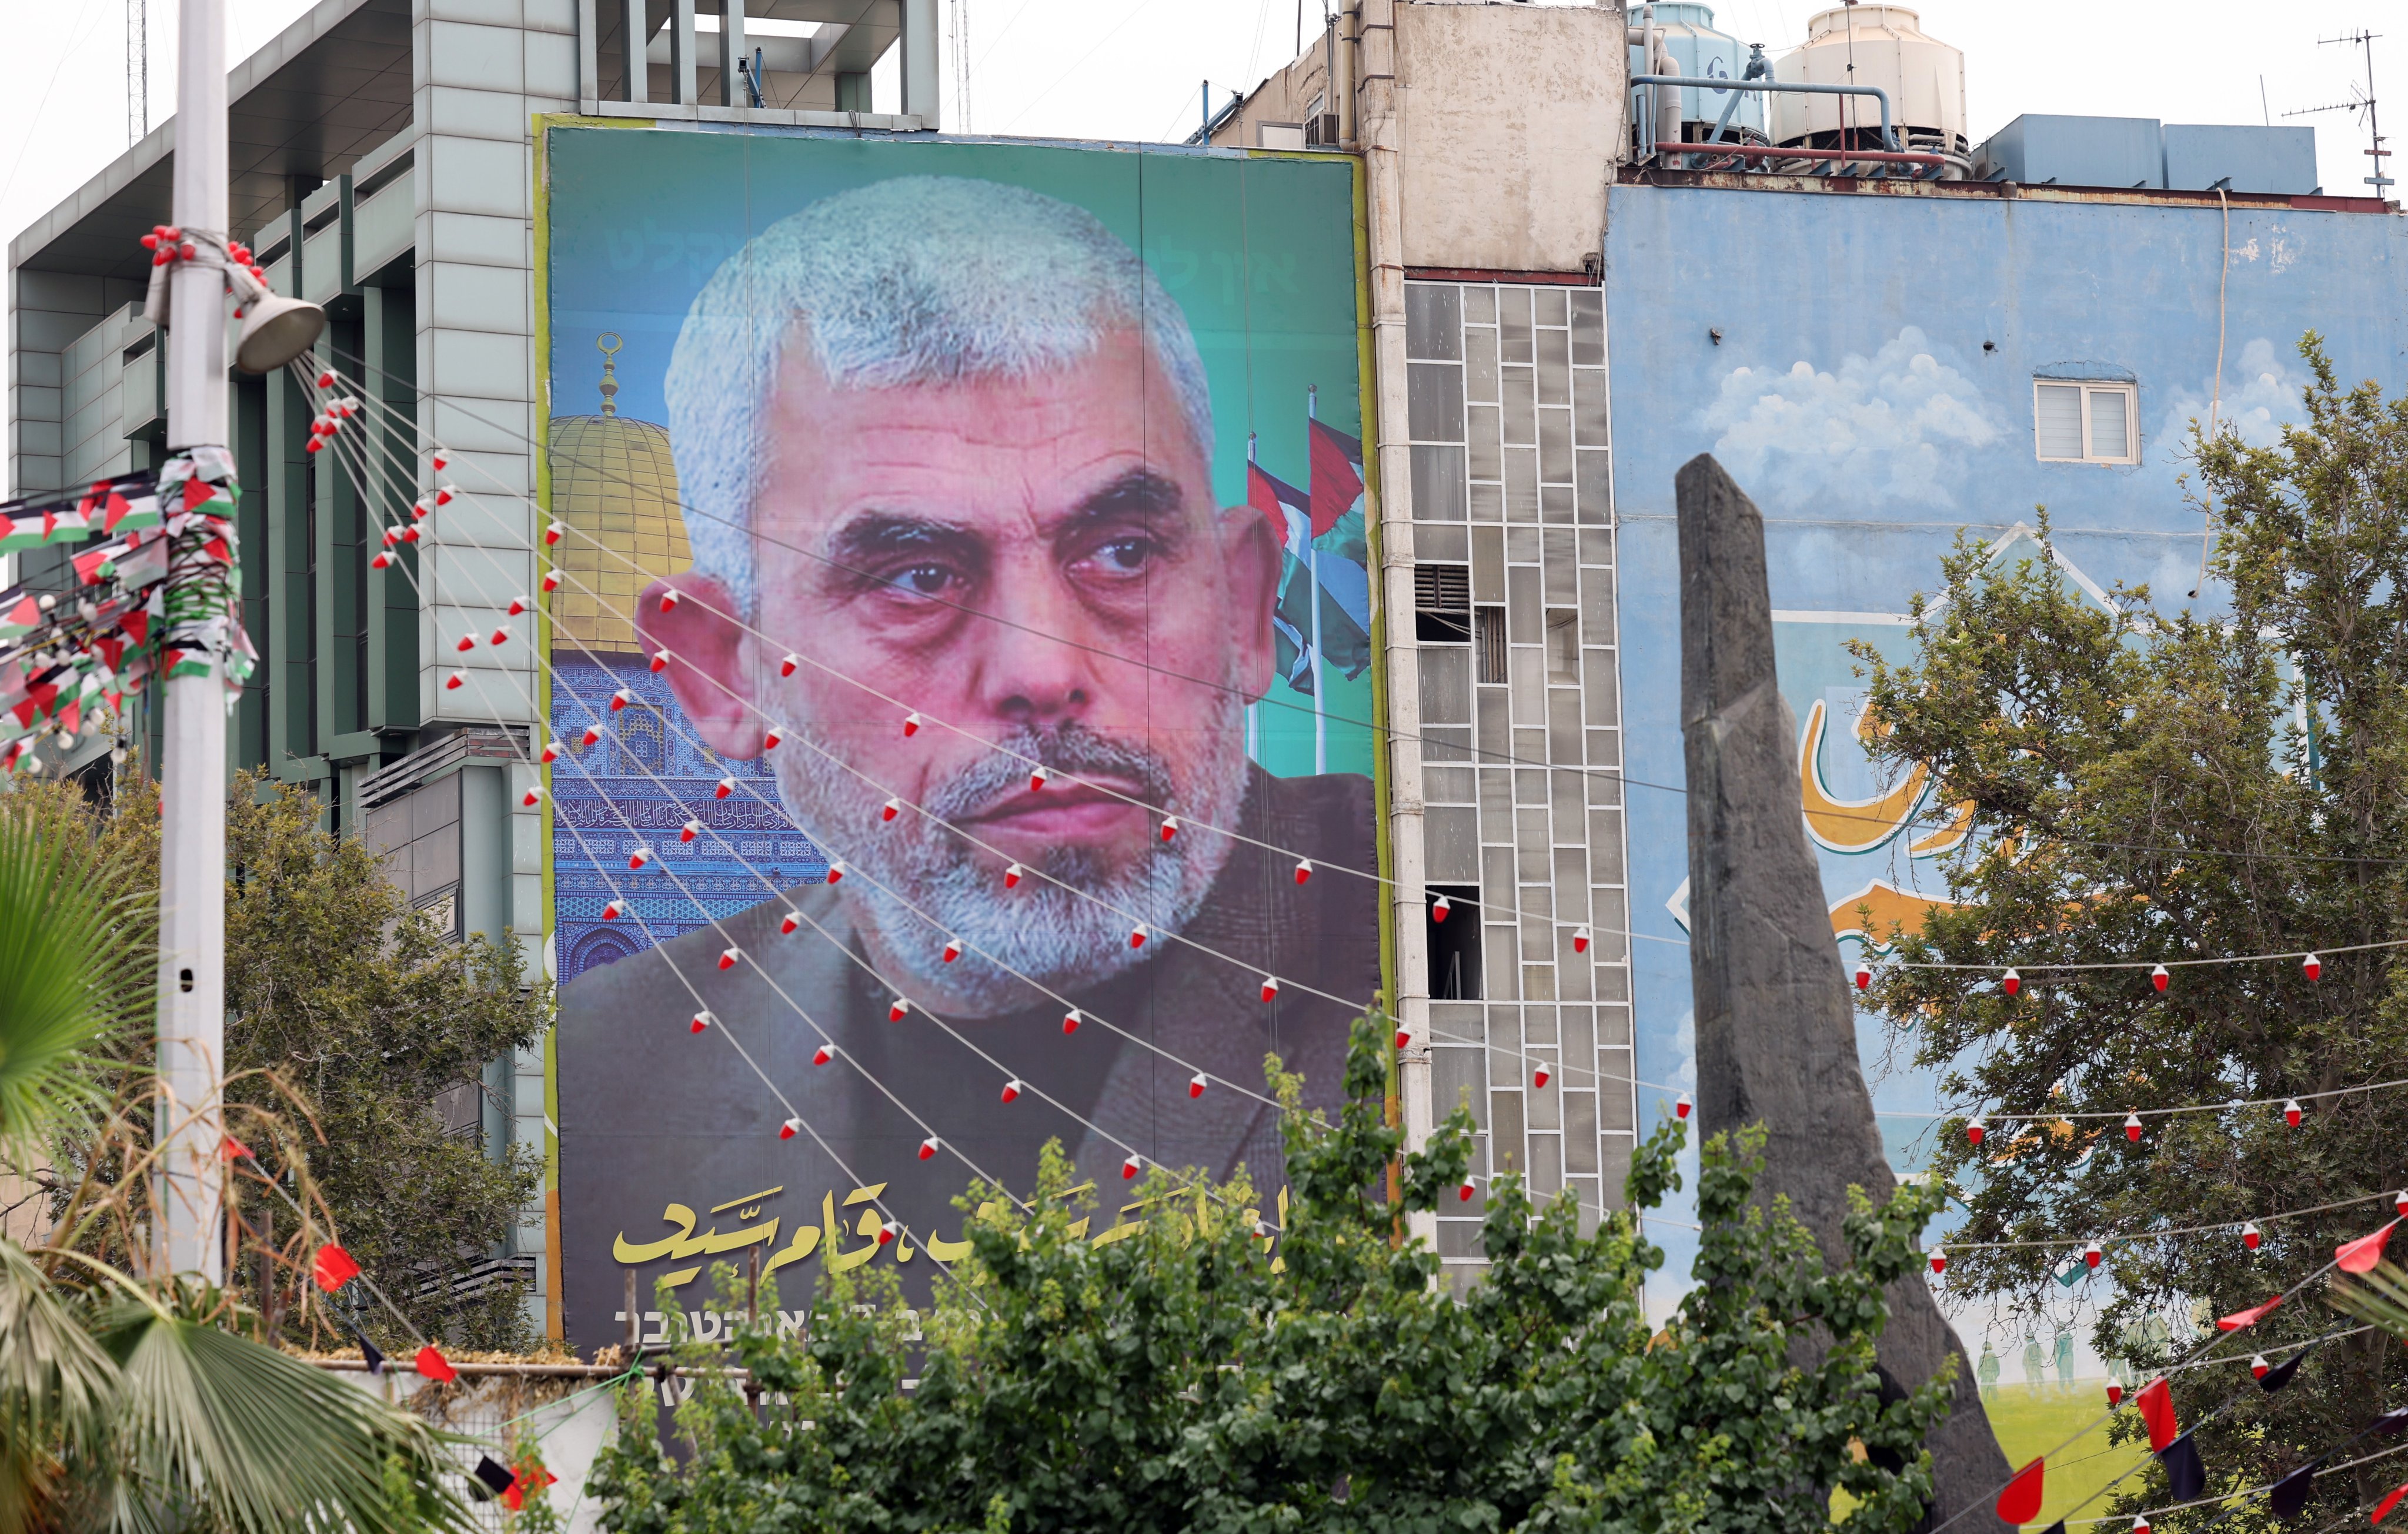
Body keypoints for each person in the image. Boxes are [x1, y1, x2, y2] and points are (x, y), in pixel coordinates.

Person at [553, 176, 1379, 1351]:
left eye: (1123, 551)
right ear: (725, 674)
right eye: (917, 578)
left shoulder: (1439, 952)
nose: (1040, 672)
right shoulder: (604, 1072)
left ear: (1244, 609)